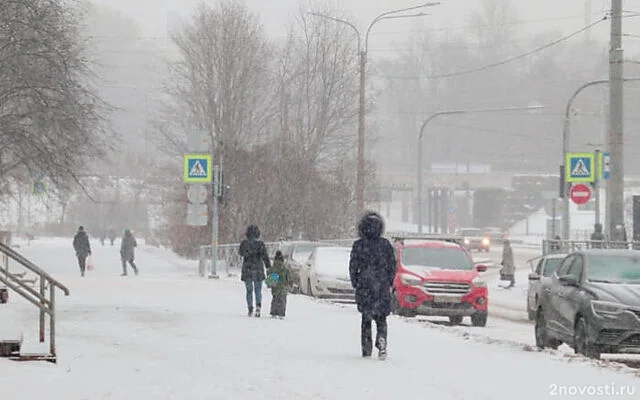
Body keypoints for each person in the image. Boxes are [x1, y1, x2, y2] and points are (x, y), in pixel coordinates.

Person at [349, 211, 397, 360]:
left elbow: (353, 266)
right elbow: (392, 266)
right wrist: (388, 281)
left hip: (365, 286)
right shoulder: (385, 245)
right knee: (381, 319)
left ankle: (366, 347)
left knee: (366, 319)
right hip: (381, 286)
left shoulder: (359, 245)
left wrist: (356, 282)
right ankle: (382, 339)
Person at [239, 225, 271, 317]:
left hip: (247, 268)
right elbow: (265, 256)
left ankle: (250, 308)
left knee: (249, 290)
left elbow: (241, 253)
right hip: (258, 269)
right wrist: (268, 266)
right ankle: (258, 306)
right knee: (258, 289)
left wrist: (248, 253)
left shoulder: (244, 243)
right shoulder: (260, 244)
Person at [267, 250, 292, 319]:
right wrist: (290, 284)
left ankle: (274, 312)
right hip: (283, 286)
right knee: (282, 300)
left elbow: (270, 280)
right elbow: (289, 278)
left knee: (275, 298)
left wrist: (270, 284)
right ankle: (281, 313)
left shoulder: (273, 268)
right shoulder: (285, 269)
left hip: (275, 287)